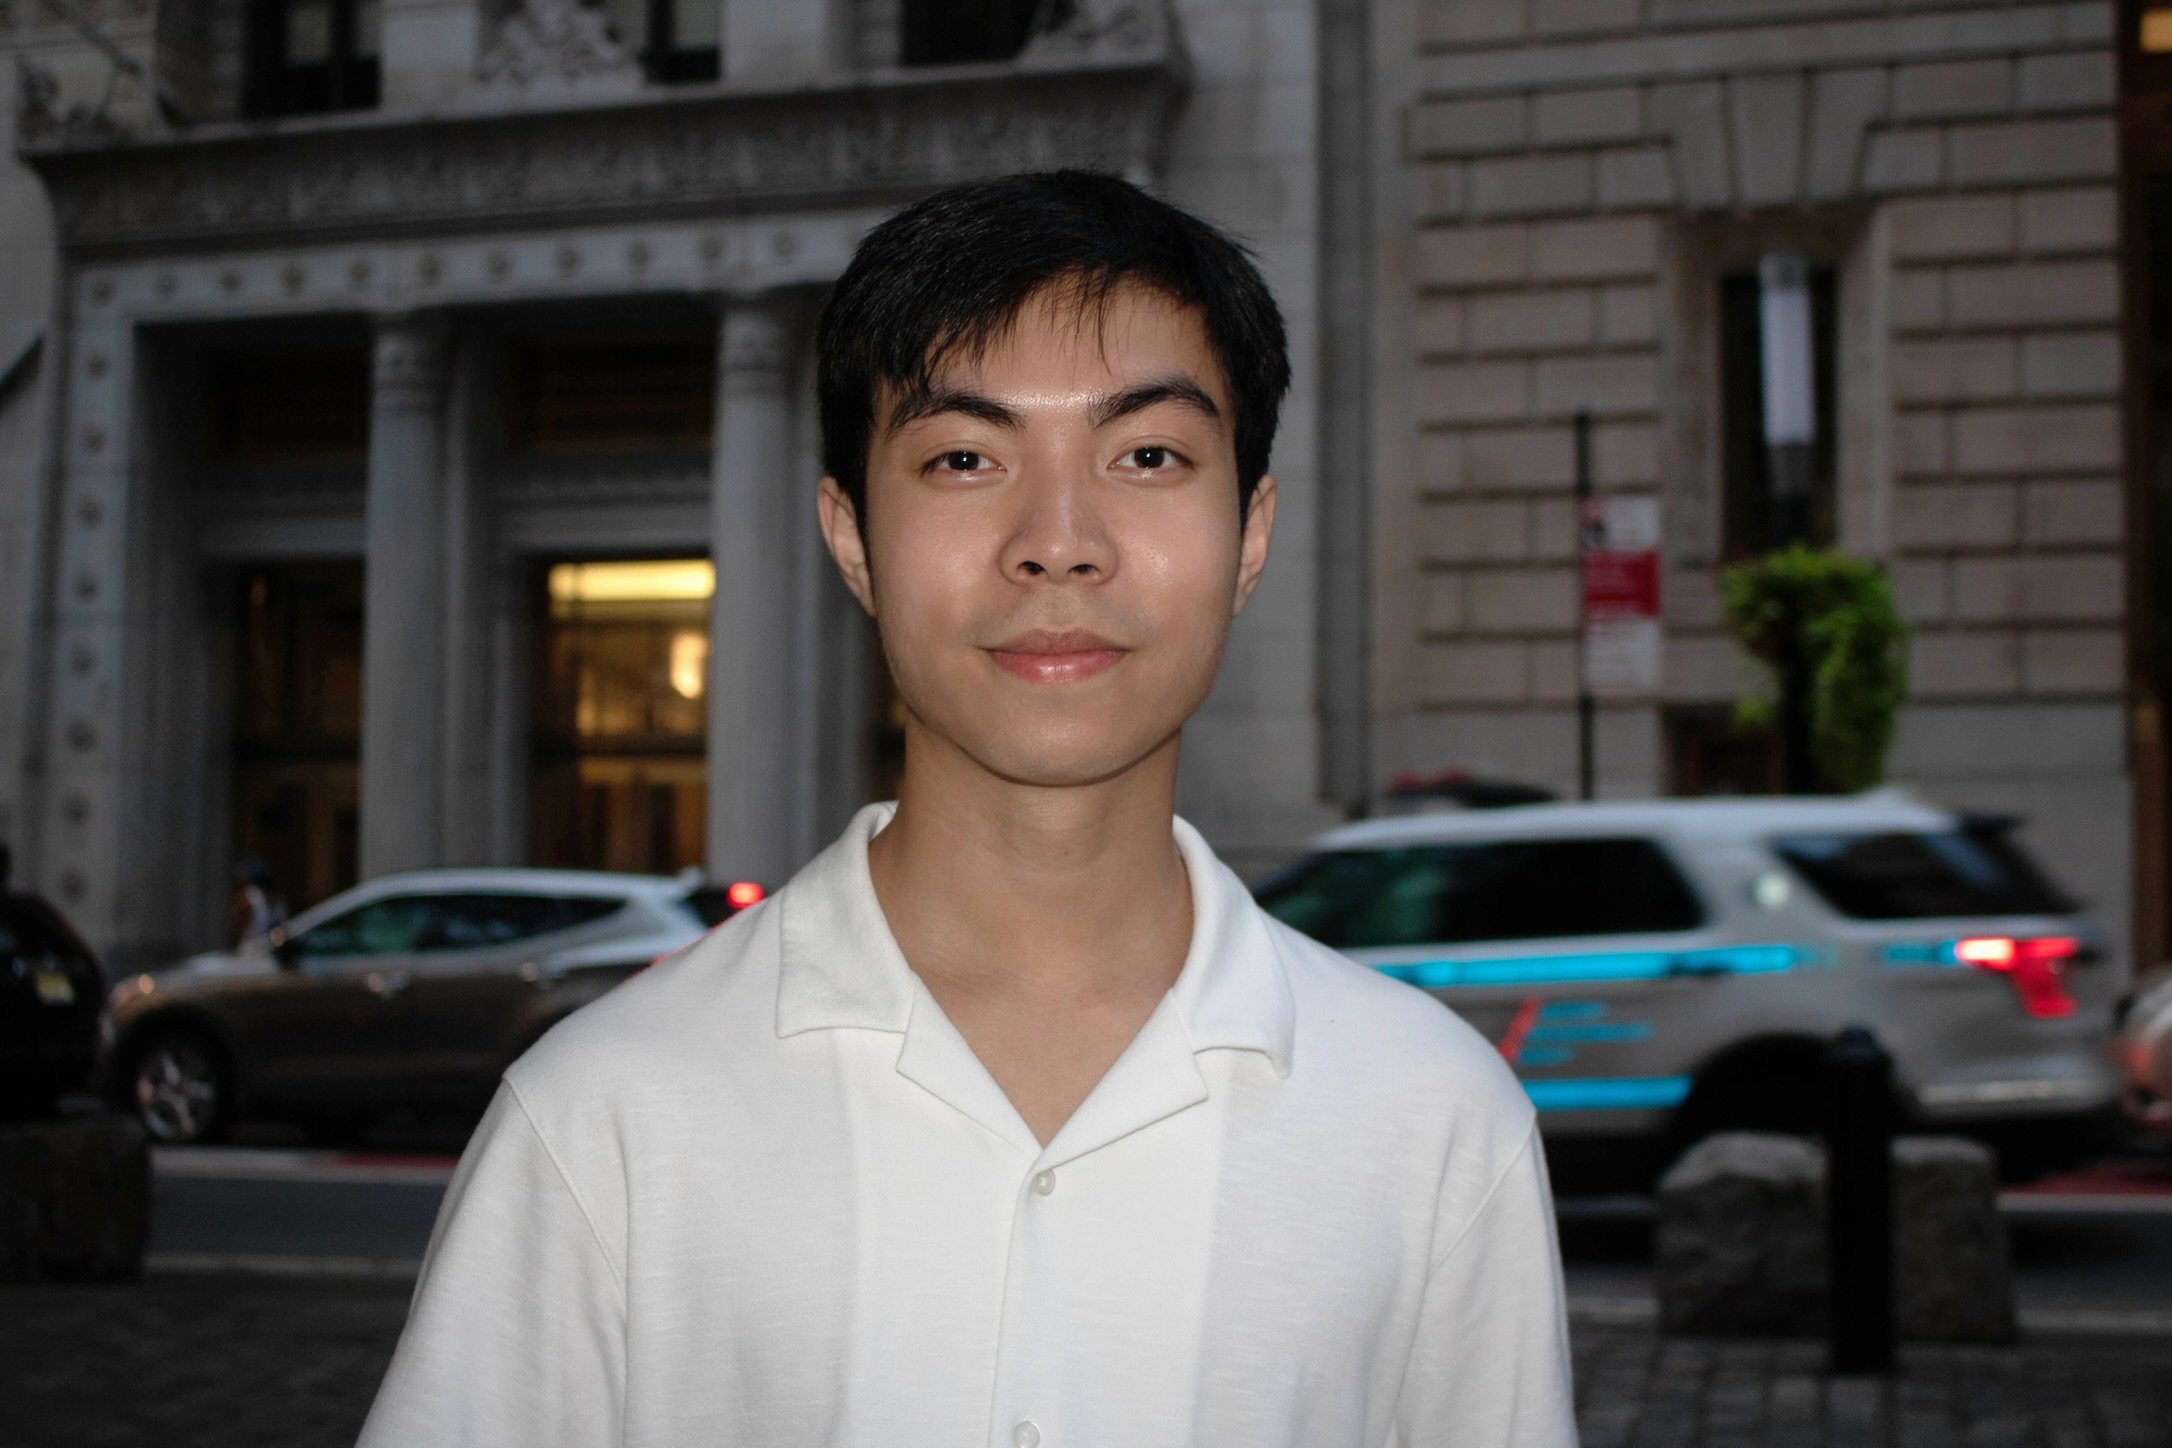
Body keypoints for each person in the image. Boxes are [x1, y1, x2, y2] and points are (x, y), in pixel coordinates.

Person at [359, 171, 1575, 1446]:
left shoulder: (1435, 1116)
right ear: (851, 536)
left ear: (1252, 531)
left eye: (1148, 454)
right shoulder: (606, 1112)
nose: (1058, 539)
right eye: (964, 457)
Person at [229, 857, 286, 948]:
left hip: (252, 948)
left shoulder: (249, 895)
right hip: (273, 948)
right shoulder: (278, 899)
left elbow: (236, 922)